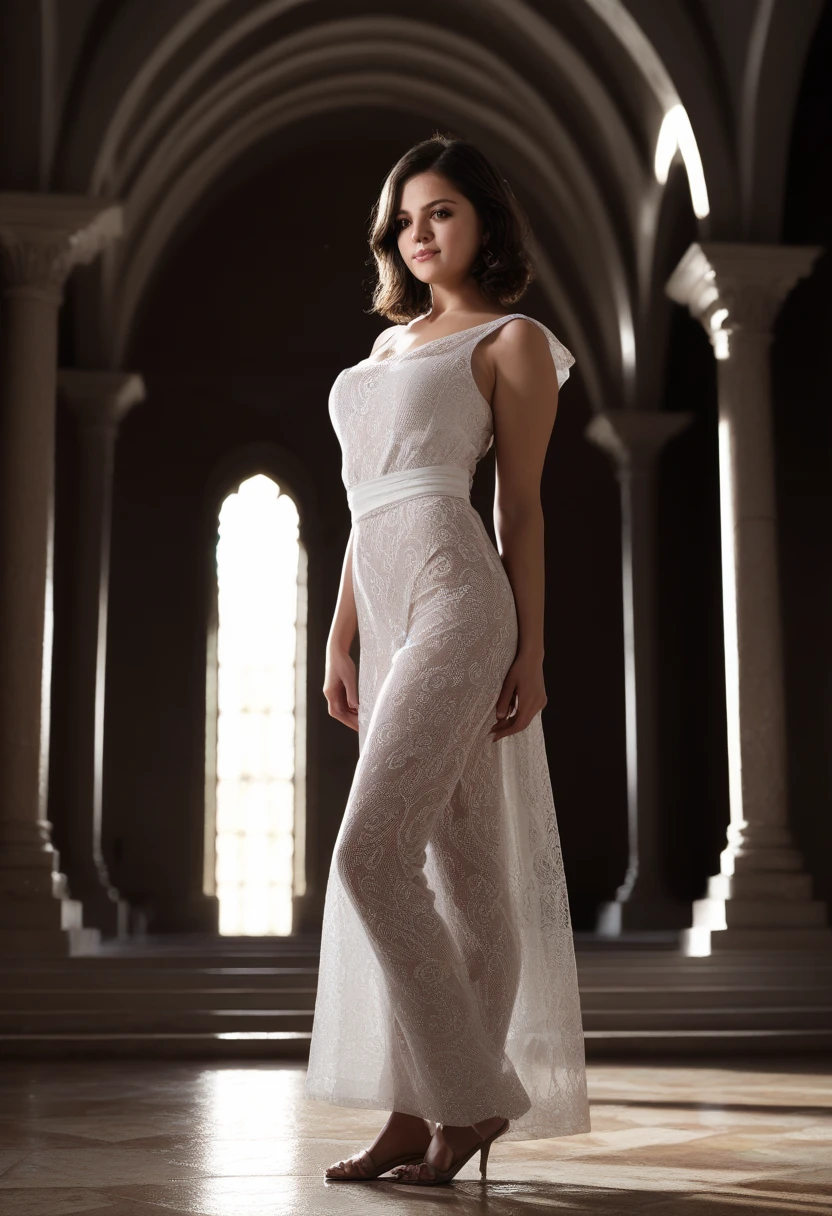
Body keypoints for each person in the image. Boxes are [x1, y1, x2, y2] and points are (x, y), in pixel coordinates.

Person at [304, 133, 591, 1187]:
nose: (419, 234)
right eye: (406, 218)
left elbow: (519, 511)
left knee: (370, 854)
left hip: (463, 608)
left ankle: (468, 1101)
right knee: (459, 875)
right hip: (381, 612)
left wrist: (535, 650)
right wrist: (339, 632)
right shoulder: (383, 350)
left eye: (442, 214)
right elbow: (363, 504)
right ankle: (412, 1109)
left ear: (483, 224)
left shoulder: (513, 341)